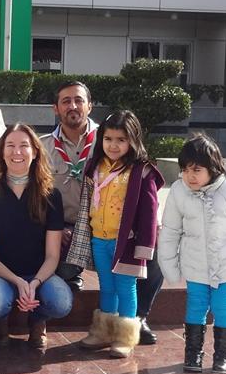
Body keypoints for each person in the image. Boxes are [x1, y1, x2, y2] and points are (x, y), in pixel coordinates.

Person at [41, 81, 165, 345]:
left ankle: (136, 320)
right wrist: (55, 228)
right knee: (100, 283)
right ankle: (89, 309)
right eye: (66, 101)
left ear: (90, 105)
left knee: (153, 259)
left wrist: (149, 231)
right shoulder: (44, 147)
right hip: (72, 230)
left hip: (121, 232)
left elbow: (145, 199)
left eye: (79, 100)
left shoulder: (111, 136)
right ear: (55, 108)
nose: (73, 106)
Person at [157, 134, 226, 374]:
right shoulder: (179, 191)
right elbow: (171, 231)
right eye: (185, 170)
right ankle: (193, 353)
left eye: (197, 170)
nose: (190, 176)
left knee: (223, 306)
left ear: (213, 168)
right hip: (195, 263)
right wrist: (170, 267)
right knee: (196, 305)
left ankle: (223, 355)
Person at [65, 110, 164, 359]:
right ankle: (103, 333)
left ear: (133, 140)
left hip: (126, 243)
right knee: (107, 287)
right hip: (99, 239)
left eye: (121, 140)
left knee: (126, 288)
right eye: (108, 139)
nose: (113, 145)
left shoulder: (141, 171)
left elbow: (150, 212)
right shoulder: (95, 166)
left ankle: (124, 337)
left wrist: (145, 247)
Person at [0, 124, 72, 351]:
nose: (17, 152)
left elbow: (52, 255)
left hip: (40, 274)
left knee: (61, 303)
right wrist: (18, 281)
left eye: (24, 146)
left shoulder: (51, 195)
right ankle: (0, 322)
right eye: (10, 145)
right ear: (2, 152)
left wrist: (35, 282)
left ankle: (38, 320)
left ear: (35, 152)